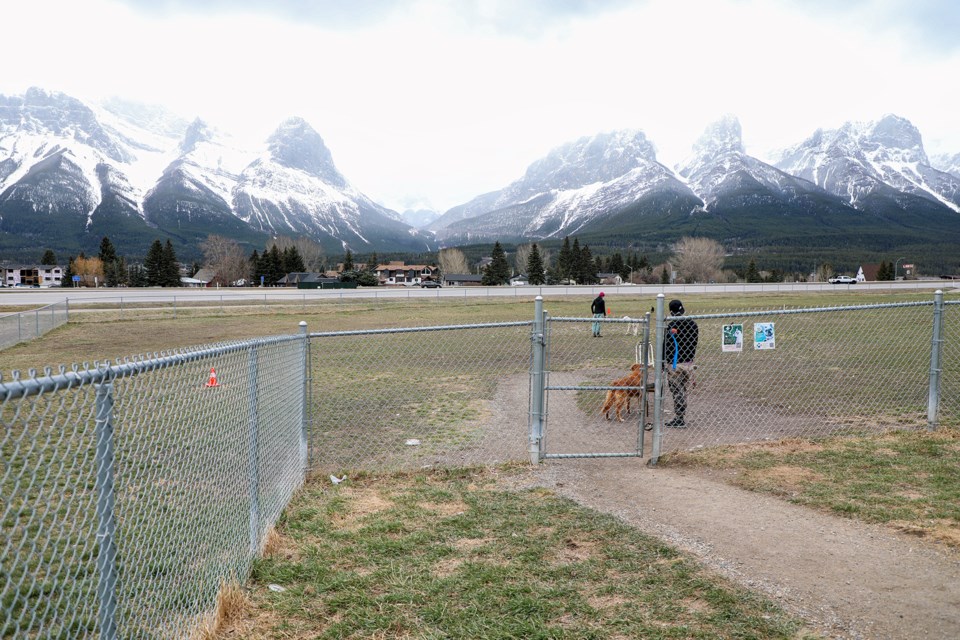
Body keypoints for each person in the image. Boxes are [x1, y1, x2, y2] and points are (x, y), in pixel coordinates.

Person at [663, 299, 698, 427]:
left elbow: (666, 346)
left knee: (677, 390)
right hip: (688, 363)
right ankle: (681, 415)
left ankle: (679, 418)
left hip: (675, 364)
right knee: (683, 390)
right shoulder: (693, 324)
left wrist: (663, 362)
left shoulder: (672, 325)